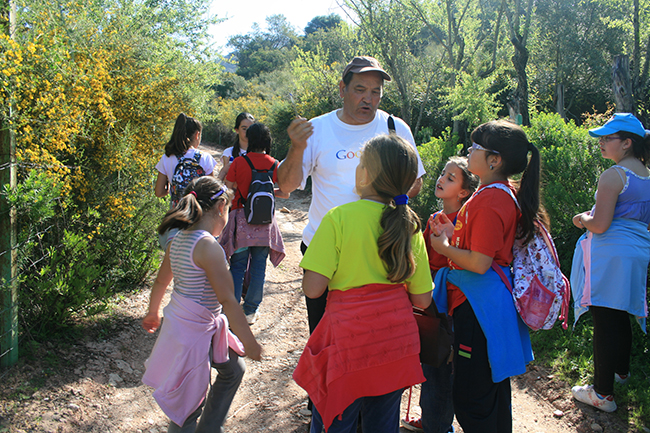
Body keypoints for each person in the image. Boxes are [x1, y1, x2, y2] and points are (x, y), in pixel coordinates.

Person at [277, 55, 427, 337]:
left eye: (375, 92)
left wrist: (377, 214)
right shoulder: (317, 129)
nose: (368, 99)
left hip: (382, 249)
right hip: (325, 250)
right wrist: (296, 148)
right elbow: (287, 185)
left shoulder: (396, 128)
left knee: (375, 339)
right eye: (360, 90)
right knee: (327, 339)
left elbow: (414, 181)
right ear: (342, 88)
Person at [293, 134, 433, 433]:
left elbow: (313, 289)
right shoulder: (410, 225)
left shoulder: (339, 218)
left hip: (348, 341)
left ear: (366, 173)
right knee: (382, 426)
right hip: (396, 342)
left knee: (335, 422)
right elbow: (422, 300)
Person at [428, 120, 541, 433]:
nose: (469, 150)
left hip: (479, 306)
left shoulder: (491, 198)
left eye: (476, 147)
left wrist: (445, 247)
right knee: (489, 394)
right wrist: (454, 235)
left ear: (495, 160)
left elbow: (479, 263)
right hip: (482, 303)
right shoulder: (494, 193)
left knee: (471, 398)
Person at [142, 176, 262, 433]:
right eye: (228, 210)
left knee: (233, 370)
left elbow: (162, 281)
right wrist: (249, 341)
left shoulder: (178, 241)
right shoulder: (208, 247)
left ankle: (209, 428)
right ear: (221, 207)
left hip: (188, 326)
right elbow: (228, 300)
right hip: (194, 333)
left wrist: (153, 312)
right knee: (189, 402)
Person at [569, 113, 650, 413]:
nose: (601, 143)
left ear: (627, 143)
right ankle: (621, 372)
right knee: (621, 314)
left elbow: (600, 224)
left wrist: (581, 219)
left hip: (610, 253)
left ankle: (602, 393)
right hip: (638, 253)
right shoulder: (647, 176)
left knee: (604, 318)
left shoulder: (614, 176)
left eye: (608, 138)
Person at [402, 157, 479, 433]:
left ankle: (437, 425)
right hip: (433, 298)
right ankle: (433, 419)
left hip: (449, 302)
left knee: (439, 364)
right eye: (443, 174)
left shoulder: (465, 223)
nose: (440, 179)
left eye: (450, 178)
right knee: (433, 361)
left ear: (463, 192)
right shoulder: (436, 218)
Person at [219, 123, 288, 325]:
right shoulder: (274, 163)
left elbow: (229, 186)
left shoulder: (240, 162)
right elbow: (285, 193)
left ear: (249, 139)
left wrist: (246, 191)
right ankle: (250, 311)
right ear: (267, 141)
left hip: (241, 219)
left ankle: (231, 311)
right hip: (265, 223)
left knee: (238, 266)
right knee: (259, 267)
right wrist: (267, 192)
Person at [155, 113, 217, 248]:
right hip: (200, 218)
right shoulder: (205, 158)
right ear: (197, 135)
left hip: (177, 216)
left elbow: (159, 192)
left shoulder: (166, 158)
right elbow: (213, 191)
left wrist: (172, 190)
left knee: (174, 257)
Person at [218, 112, 255, 180]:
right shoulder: (229, 153)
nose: (248, 132)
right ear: (237, 130)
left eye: (251, 129)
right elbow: (226, 179)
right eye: (244, 129)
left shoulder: (259, 152)